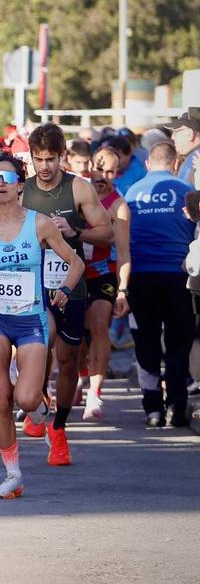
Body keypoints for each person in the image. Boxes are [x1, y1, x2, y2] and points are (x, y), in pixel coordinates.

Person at [0, 156, 83, 498]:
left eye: (8, 177)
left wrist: (65, 290)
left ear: (19, 185)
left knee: (26, 398)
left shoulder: (39, 224)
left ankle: (38, 407)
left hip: (31, 318)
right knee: (1, 397)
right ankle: (12, 474)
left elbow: (75, 262)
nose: (0, 183)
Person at [20, 124, 112, 465]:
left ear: (62, 157)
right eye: (38, 159)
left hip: (71, 284)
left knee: (68, 359)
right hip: (33, 284)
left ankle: (58, 427)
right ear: (31, 158)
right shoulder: (22, 191)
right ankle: (37, 400)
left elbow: (107, 234)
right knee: (40, 343)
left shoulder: (79, 188)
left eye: (51, 159)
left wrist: (75, 231)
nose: (44, 167)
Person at [120, 141, 195, 427]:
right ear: (175, 164)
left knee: (145, 341)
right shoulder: (187, 192)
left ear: (148, 164)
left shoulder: (132, 192)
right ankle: (176, 405)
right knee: (178, 342)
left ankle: (152, 409)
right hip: (178, 276)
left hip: (141, 275)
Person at [81, 146, 130, 420]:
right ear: (90, 167)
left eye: (110, 172)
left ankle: (95, 391)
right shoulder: (77, 192)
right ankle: (80, 375)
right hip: (75, 272)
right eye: (100, 170)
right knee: (75, 336)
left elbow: (123, 252)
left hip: (104, 272)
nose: (103, 177)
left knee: (100, 325)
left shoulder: (118, 205)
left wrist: (123, 290)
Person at [165, 108, 200, 188]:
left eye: (176, 132)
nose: (172, 137)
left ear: (190, 134)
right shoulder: (192, 157)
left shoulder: (196, 158)